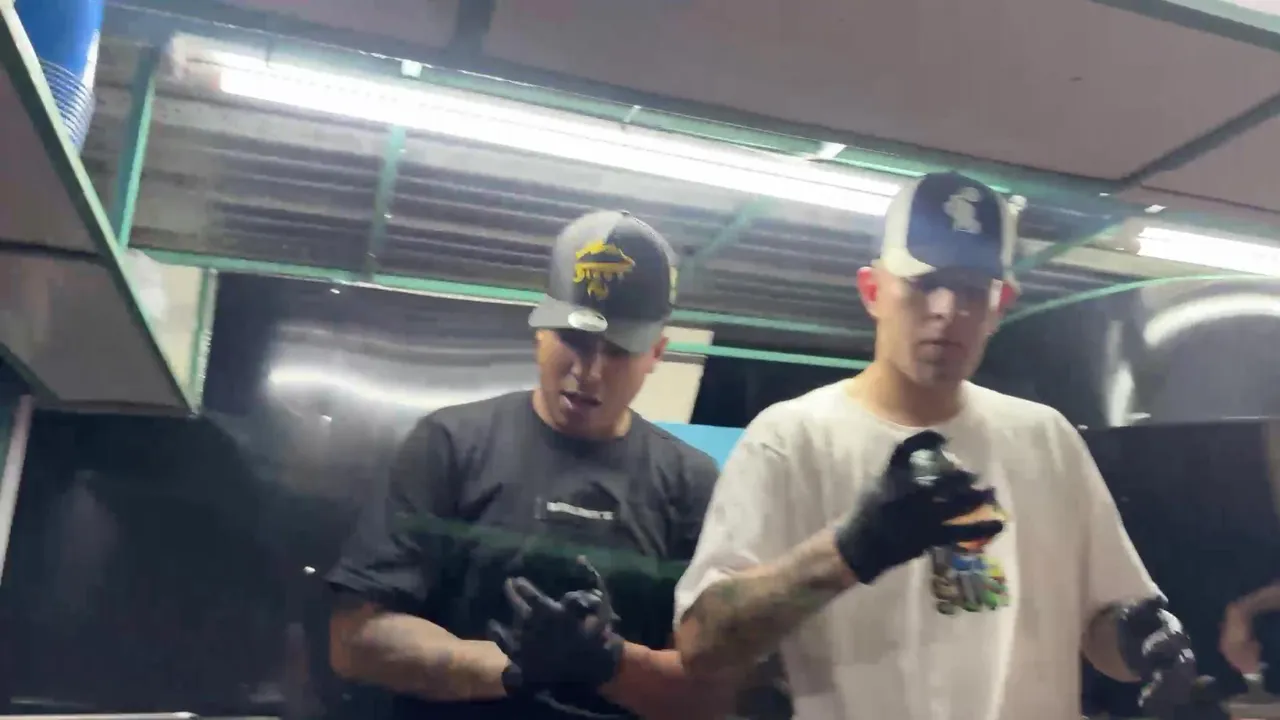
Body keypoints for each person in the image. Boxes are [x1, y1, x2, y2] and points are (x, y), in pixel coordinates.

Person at [671, 172, 1200, 720]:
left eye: (972, 289)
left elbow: (1103, 627)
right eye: (924, 283)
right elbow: (702, 646)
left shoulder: (1047, 440)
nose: (948, 308)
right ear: (873, 291)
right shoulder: (790, 439)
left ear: (1000, 304)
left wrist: (1143, 641)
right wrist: (850, 550)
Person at [325, 210, 732, 720]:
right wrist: (512, 669)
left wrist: (608, 663)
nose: (589, 371)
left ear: (656, 353)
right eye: (574, 340)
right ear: (540, 328)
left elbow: (712, 695)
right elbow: (355, 638)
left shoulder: (691, 484)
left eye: (618, 351)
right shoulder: (450, 444)